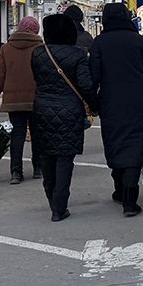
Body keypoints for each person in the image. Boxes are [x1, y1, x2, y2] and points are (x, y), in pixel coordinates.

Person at [91, 3, 143, 217]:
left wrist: (93, 102)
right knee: (135, 146)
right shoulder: (137, 40)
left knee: (115, 144)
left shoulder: (100, 42)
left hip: (110, 102)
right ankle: (130, 201)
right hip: (140, 101)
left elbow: (93, 76)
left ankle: (119, 190)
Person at [31, 14, 95, 222]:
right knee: (65, 158)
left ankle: (52, 198)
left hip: (42, 109)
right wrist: (94, 106)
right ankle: (59, 207)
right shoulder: (78, 55)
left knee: (46, 155)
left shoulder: (38, 53)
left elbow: (37, 79)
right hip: (69, 110)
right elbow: (85, 85)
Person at [0, 16, 43, 184]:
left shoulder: (7, 48)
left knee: (17, 135)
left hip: (14, 100)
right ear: (36, 30)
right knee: (37, 134)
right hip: (36, 99)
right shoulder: (40, 48)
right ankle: (38, 168)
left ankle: (16, 172)